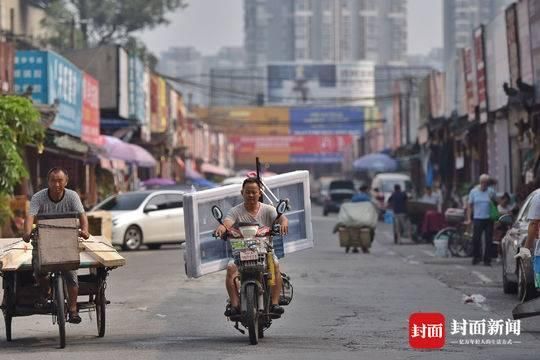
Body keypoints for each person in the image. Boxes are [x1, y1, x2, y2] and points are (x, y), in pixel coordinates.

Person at [22, 167, 89, 324]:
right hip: (44, 241)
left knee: (72, 276)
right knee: (38, 271)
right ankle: (47, 290)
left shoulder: (72, 196)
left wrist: (85, 230)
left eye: (60, 181)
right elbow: (30, 217)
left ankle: (72, 310)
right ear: (48, 182)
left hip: (67, 242)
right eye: (53, 180)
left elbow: (82, 216)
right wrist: (26, 232)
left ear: (66, 182)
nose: (56, 184)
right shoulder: (39, 197)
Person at [214, 177, 289, 317]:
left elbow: (281, 218)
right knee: (231, 269)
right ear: (242, 192)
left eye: (254, 192)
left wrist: (284, 222)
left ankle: (274, 303)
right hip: (241, 253)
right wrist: (221, 228)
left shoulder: (268, 209)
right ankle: (235, 305)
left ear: (260, 193)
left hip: (264, 252)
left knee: (276, 265)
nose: (251, 195)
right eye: (248, 192)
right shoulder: (235, 211)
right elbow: (227, 223)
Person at [465, 174, 496, 266]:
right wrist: (469, 218)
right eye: (482, 182)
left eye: (486, 183)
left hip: (488, 219)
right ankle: (476, 257)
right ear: (480, 182)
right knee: (476, 239)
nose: (484, 184)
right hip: (477, 218)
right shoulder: (473, 192)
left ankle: (487, 260)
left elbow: (495, 203)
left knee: (488, 240)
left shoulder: (491, 191)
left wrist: (492, 203)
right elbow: (469, 206)